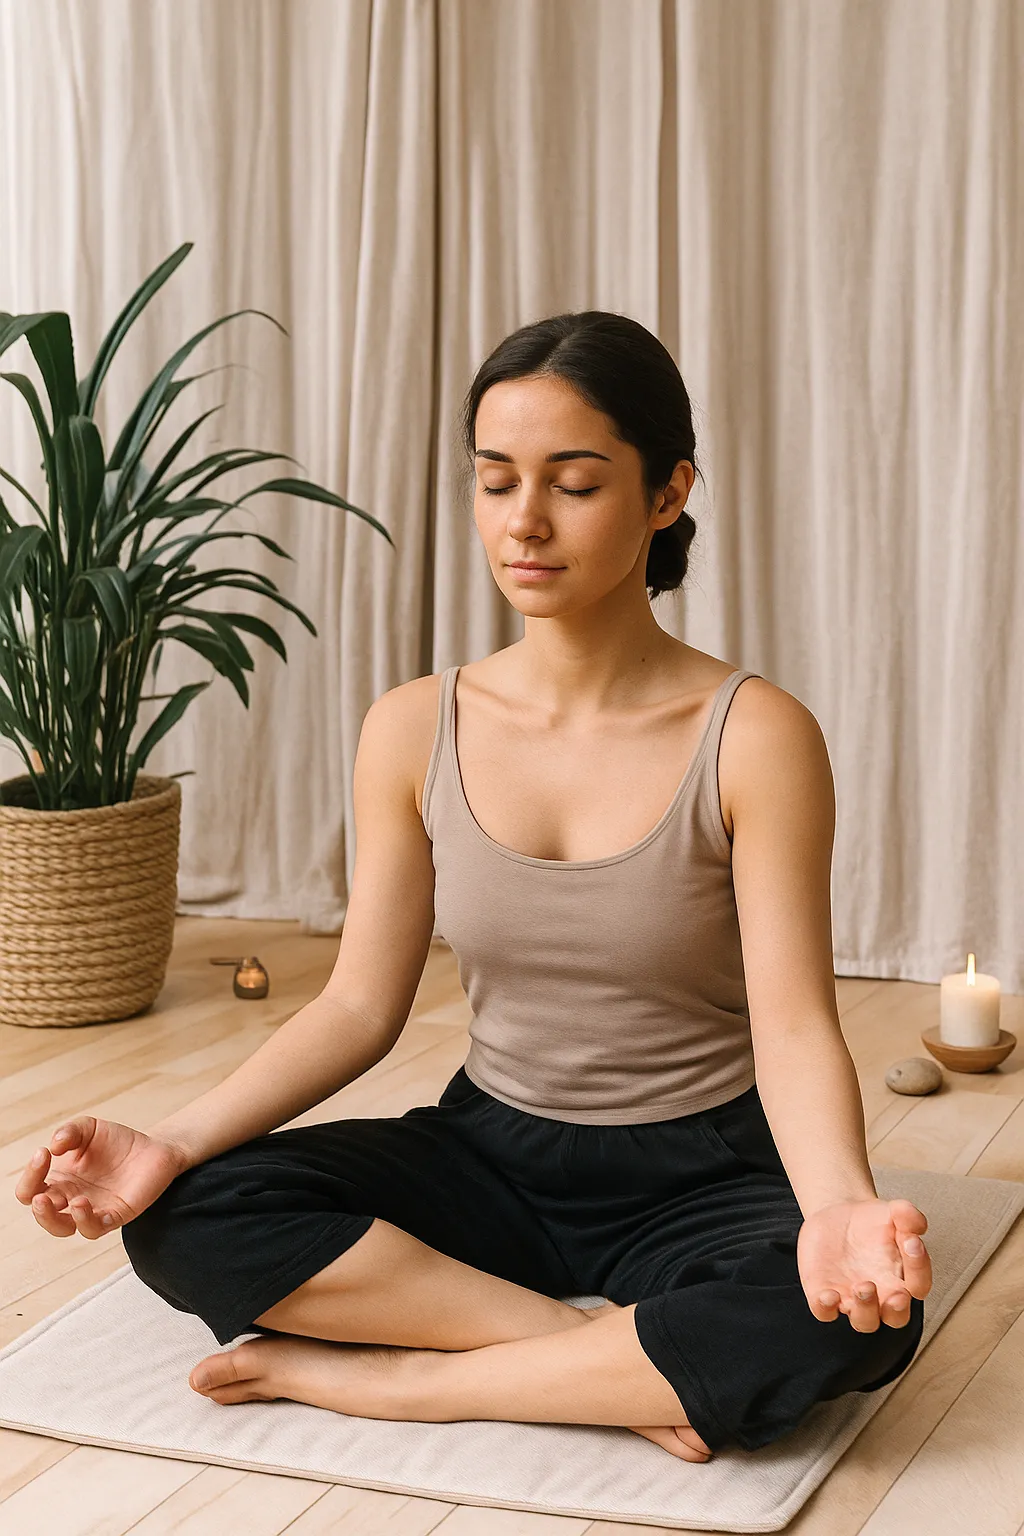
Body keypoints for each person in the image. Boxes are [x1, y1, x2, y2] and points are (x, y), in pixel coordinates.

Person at [14, 311, 931, 1463]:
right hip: (491, 1153)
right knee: (184, 1216)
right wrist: (171, 1144)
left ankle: (401, 1384)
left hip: (702, 1165)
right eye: (495, 482)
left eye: (575, 483)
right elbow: (358, 1005)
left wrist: (840, 1204)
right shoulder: (413, 726)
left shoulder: (754, 736)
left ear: (666, 493)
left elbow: (795, 1024)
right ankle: (602, 1367)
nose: (524, 522)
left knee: (855, 1322)